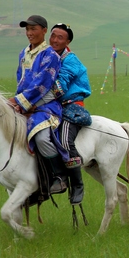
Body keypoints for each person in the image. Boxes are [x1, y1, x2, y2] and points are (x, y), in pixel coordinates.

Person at [7, 14, 67, 198]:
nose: (29, 33)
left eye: (33, 29)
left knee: (41, 137)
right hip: (25, 104)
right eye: (27, 29)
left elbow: (42, 84)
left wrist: (21, 102)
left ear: (43, 30)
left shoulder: (51, 56)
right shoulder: (23, 53)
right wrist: (19, 102)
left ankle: (59, 176)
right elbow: (21, 80)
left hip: (46, 106)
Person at [48, 23, 92, 205]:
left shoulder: (70, 60)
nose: (55, 40)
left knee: (65, 142)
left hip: (71, 108)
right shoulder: (49, 57)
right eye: (53, 36)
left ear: (67, 42)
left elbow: (59, 89)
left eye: (60, 38)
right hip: (52, 107)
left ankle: (77, 184)